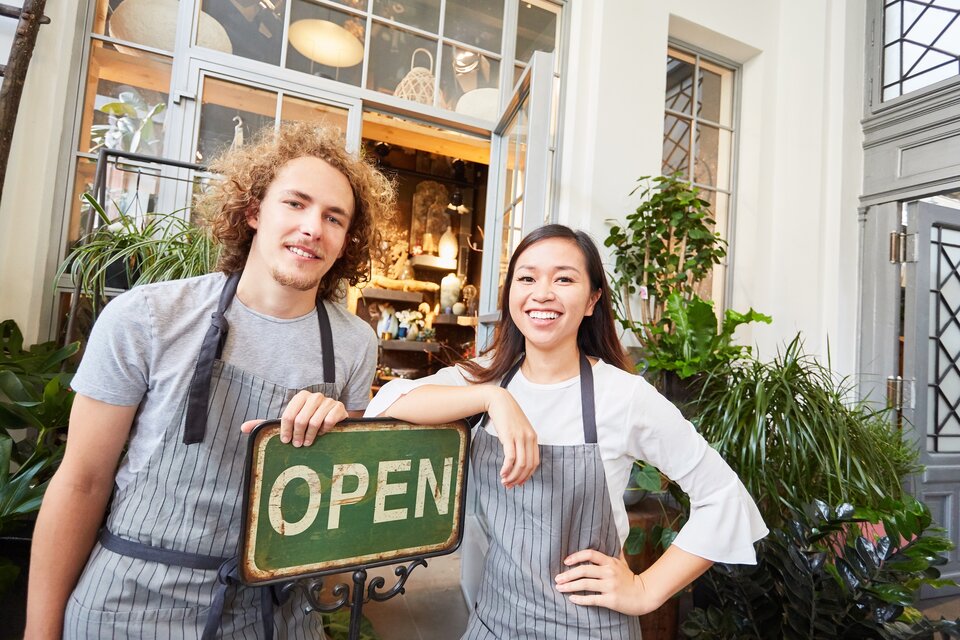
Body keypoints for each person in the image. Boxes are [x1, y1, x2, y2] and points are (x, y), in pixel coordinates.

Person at [25, 122, 395, 640]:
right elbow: (82, 481)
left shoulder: (355, 344)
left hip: (275, 614)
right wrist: (40, 632)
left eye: (334, 217)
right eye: (295, 203)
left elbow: (336, 510)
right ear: (252, 211)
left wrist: (341, 446)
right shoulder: (148, 317)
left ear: (346, 242)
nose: (313, 227)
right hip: (131, 605)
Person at [365, 224, 768, 639]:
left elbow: (724, 497)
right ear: (511, 295)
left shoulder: (623, 395)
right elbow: (387, 404)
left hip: (588, 629)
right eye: (527, 277)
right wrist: (494, 400)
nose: (542, 293)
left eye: (564, 278)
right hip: (493, 624)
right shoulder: (485, 379)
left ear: (592, 300)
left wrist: (647, 589)